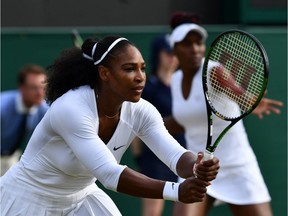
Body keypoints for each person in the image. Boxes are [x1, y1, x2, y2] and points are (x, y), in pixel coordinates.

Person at [0, 35, 220, 216]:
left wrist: (195, 167)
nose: (140, 77)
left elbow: (175, 156)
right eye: (129, 69)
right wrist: (176, 191)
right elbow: (109, 174)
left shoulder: (142, 110)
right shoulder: (71, 109)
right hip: (28, 198)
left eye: (143, 68)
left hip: (81, 198)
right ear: (104, 73)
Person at [163, 11, 283, 216]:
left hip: (237, 167)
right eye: (187, 43)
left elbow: (239, 94)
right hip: (198, 168)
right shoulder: (175, 80)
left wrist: (251, 101)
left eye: (198, 43)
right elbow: (184, 122)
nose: (195, 49)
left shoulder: (213, 70)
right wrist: (144, 126)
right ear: (175, 48)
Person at [131, 34, 186, 216]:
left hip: (183, 156)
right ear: (158, 54)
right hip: (154, 160)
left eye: (176, 53)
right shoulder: (147, 88)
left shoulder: (183, 85)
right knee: (153, 212)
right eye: (168, 53)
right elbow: (136, 128)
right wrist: (140, 159)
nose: (173, 58)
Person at [1, 64, 48, 175]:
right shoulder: (2, 107)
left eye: (43, 87)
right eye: (34, 88)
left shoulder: (45, 109)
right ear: (22, 88)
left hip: (12, 158)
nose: (40, 93)